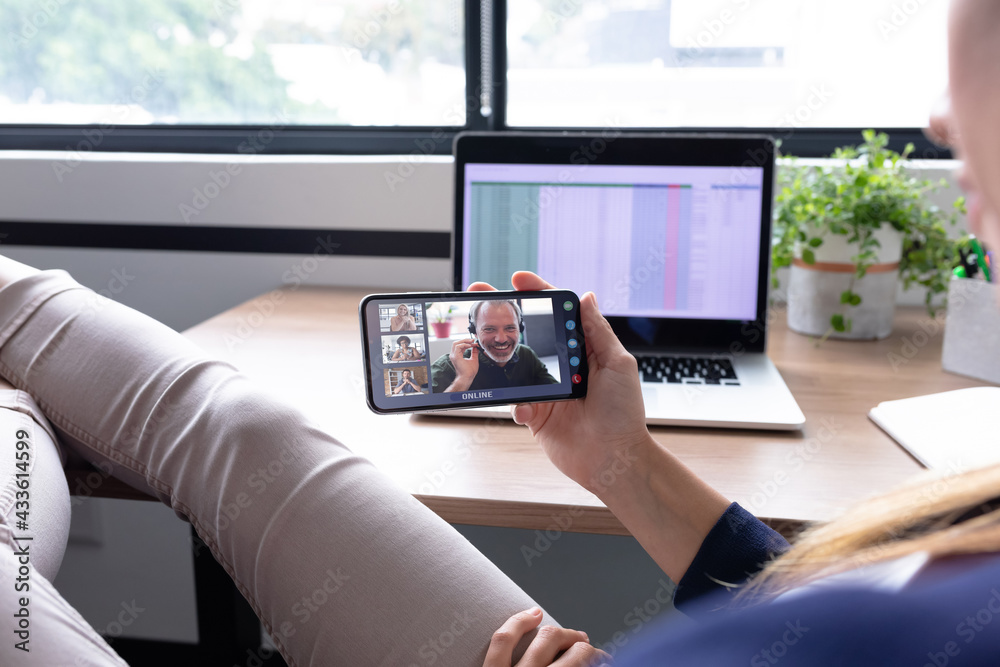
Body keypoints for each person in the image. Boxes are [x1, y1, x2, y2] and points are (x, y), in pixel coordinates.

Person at [430, 300, 558, 393]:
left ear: (520, 329)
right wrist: (463, 379)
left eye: (510, 328)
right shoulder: (445, 367)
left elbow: (561, 394)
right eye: (489, 329)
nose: (501, 339)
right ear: (474, 332)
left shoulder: (526, 355)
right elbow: (429, 415)